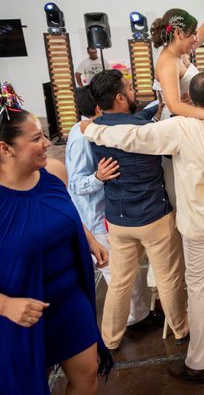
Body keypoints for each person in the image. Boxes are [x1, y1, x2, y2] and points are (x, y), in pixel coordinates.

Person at [83, 72, 204, 383]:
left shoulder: (176, 127)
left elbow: (131, 138)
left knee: (197, 289)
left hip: (196, 221)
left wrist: (93, 131)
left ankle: (200, 361)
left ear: (189, 101)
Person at [0, 83, 113, 394]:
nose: (47, 143)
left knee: (88, 373)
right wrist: (6, 305)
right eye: (36, 138)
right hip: (20, 309)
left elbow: (66, 211)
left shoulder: (53, 172)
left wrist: (88, 238)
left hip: (68, 296)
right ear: (5, 148)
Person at [87, 69, 189, 350]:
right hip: (154, 216)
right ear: (120, 97)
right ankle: (181, 330)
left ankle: (109, 339)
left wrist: (161, 104)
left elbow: (134, 122)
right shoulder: (146, 134)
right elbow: (145, 131)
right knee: (168, 278)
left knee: (119, 283)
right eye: (130, 89)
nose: (134, 92)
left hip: (118, 220)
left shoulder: (97, 130)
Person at [66, 86, 150, 327]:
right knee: (118, 277)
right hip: (95, 219)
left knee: (125, 275)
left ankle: (138, 316)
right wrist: (99, 177)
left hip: (106, 214)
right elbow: (76, 184)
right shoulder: (82, 138)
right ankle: (127, 324)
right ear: (98, 109)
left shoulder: (92, 129)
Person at [150, 7, 204, 136]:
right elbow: (174, 105)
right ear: (178, 34)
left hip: (189, 119)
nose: (196, 39)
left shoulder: (180, 53)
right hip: (175, 127)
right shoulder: (168, 62)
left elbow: (202, 34)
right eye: (193, 34)